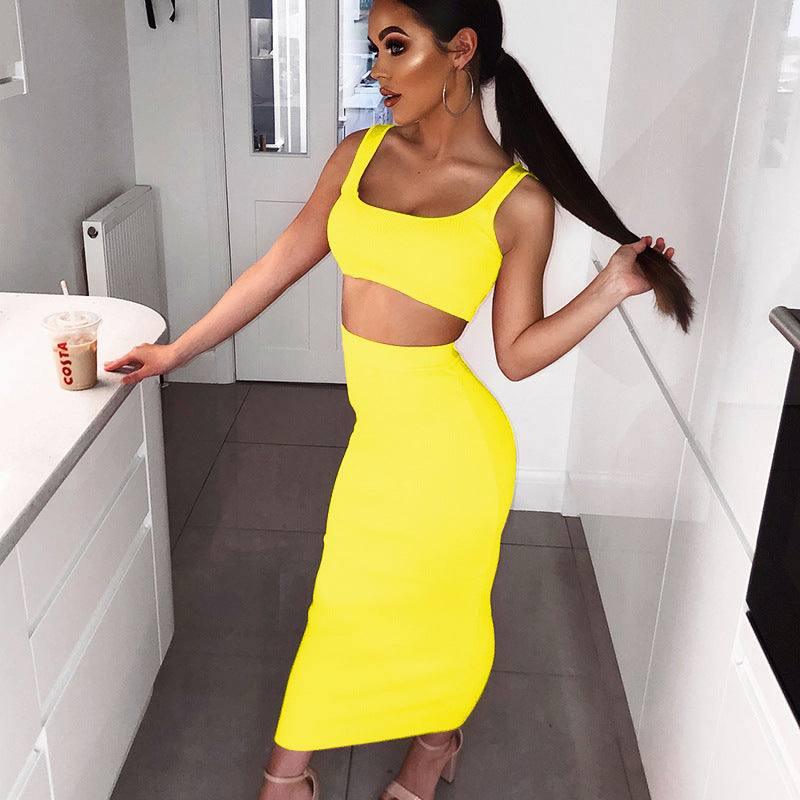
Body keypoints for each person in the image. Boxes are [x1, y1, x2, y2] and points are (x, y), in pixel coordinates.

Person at [104, 2, 692, 798]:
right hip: (382, 435)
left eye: (393, 46)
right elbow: (278, 264)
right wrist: (178, 351)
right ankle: (312, 767)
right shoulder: (360, 154)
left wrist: (610, 288)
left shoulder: (518, 202)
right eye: (373, 48)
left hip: (454, 450)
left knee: (438, 607)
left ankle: (407, 751)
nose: (375, 69)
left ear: (460, 49)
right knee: (347, 598)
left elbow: (516, 354)